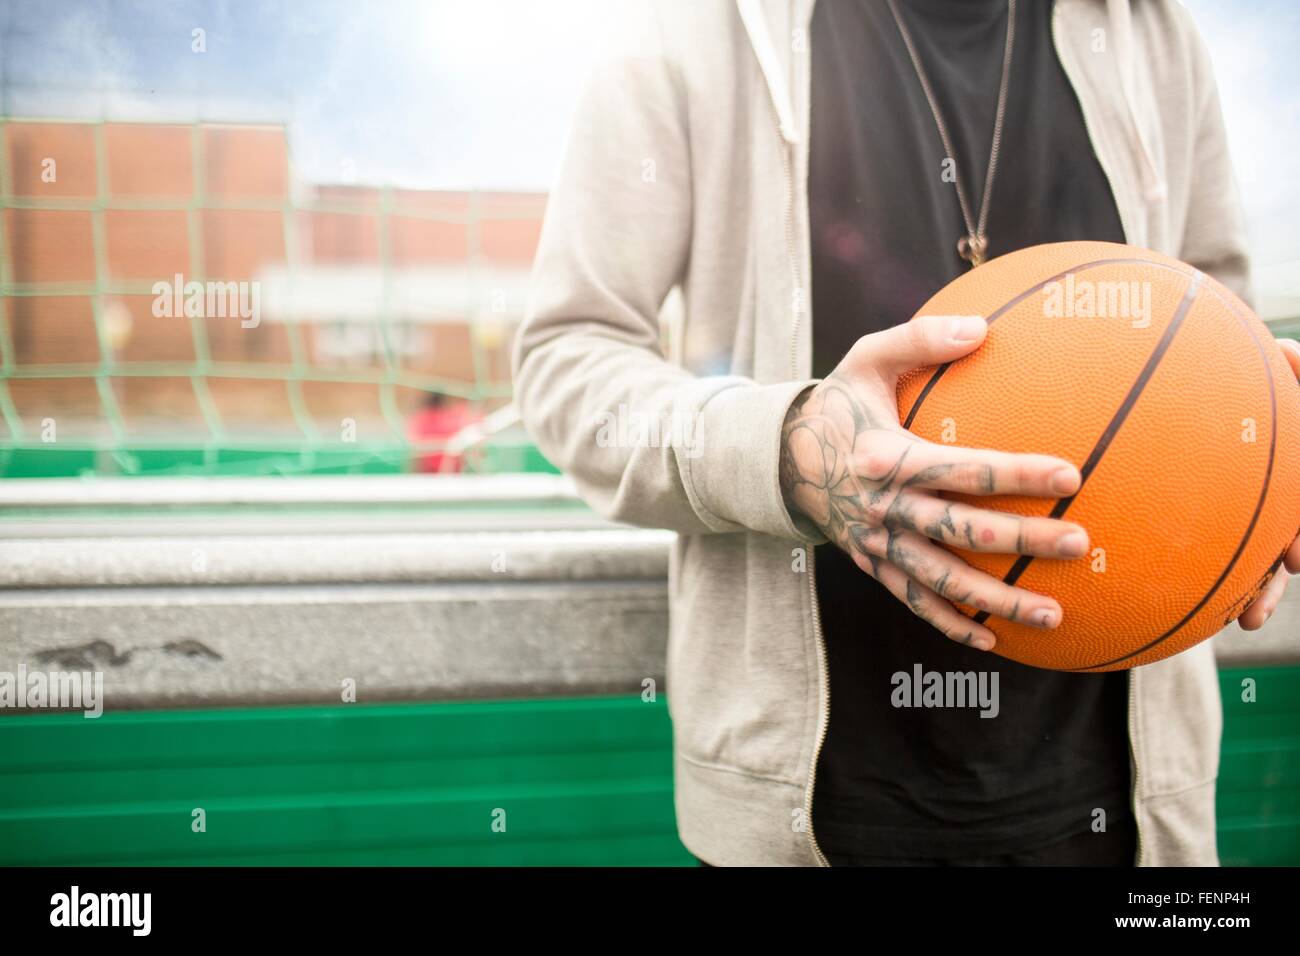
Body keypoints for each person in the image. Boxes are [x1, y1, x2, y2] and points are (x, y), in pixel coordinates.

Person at [513, 0, 1300, 866]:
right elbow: (568, 359)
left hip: (1124, 807)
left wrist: (1266, 462)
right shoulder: (694, 31)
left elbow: (1225, 334)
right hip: (819, 810)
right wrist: (788, 451)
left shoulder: (1152, 33)